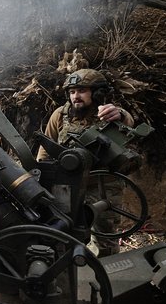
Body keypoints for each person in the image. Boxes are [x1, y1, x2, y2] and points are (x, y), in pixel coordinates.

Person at [37, 68, 135, 256]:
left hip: (102, 187)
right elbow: (46, 148)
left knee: (105, 240)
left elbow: (127, 122)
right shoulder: (60, 114)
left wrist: (120, 114)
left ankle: (107, 278)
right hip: (67, 186)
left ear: (97, 93)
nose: (76, 96)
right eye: (72, 92)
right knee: (64, 235)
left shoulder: (107, 113)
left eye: (82, 90)